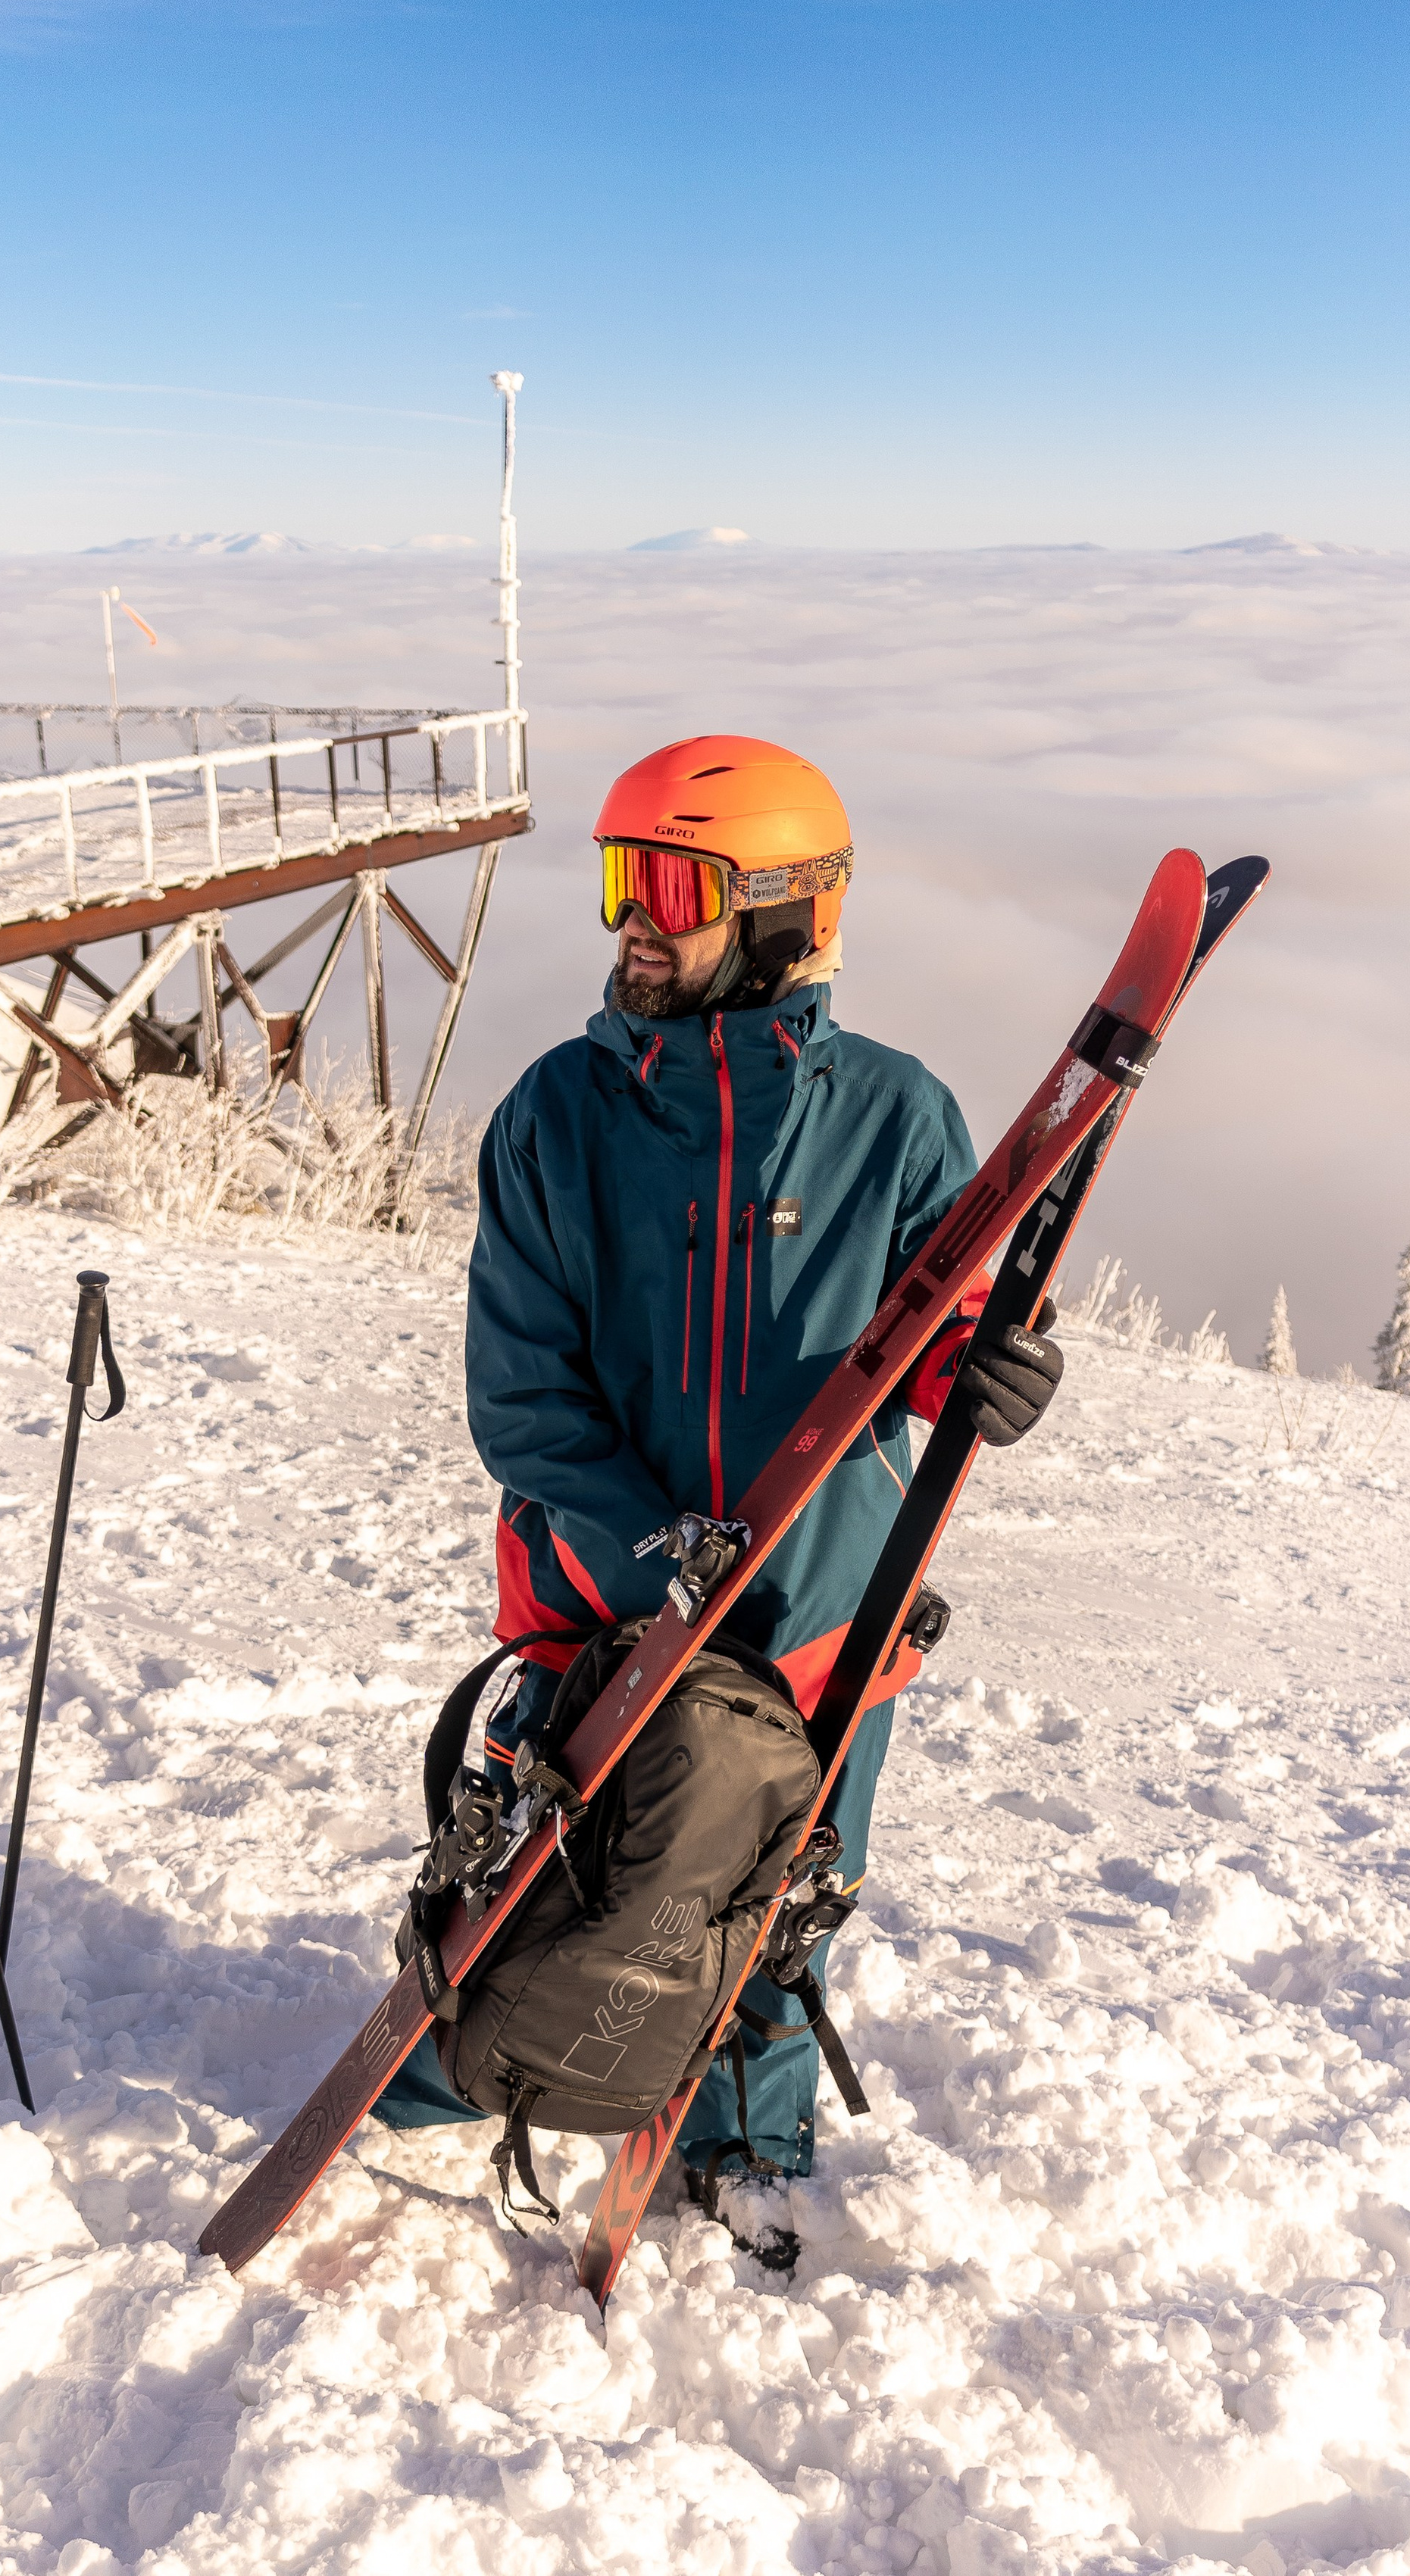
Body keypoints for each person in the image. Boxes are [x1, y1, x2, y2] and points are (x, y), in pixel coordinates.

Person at [374, 734, 1062, 2235]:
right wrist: (648, 1545)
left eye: (670, 883)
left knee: (776, 1893)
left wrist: (983, 1378)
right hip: (599, 1599)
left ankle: (745, 2148)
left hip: (821, 1605)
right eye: (621, 876)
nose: (633, 914)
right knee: (554, 1867)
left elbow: (928, 1336)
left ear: (773, 915)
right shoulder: (559, 1114)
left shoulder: (894, 1117)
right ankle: (443, 2080)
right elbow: (522, 1397)